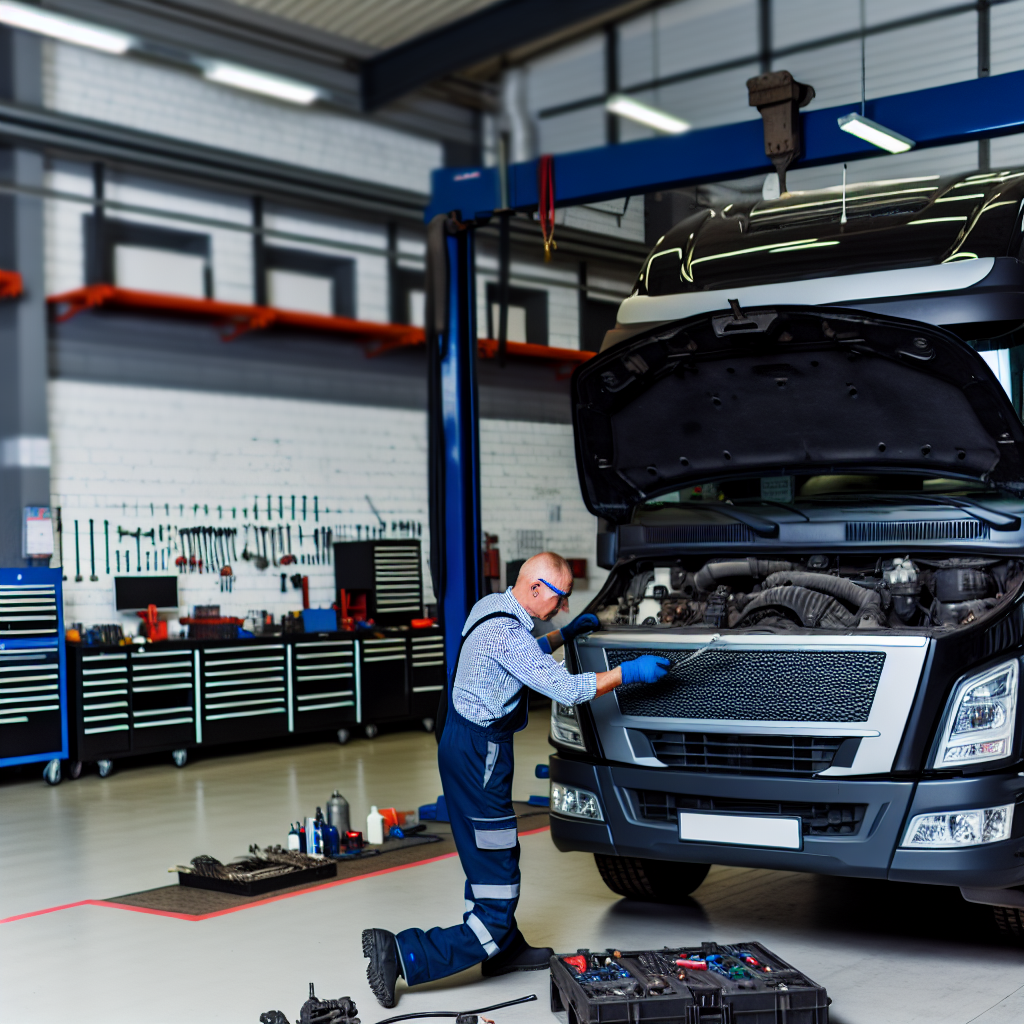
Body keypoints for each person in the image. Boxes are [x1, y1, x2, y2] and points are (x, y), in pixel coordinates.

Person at [362, 552, 671, 1007]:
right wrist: (630, 672)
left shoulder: (490, 607)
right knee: (498, 864)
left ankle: (506, 951)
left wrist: (563, 635)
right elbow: (566, 689)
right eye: (561, 598)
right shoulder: (509, 634)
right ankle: (405, 953)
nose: (563, 606)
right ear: (535, 589)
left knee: (485, 850)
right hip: (480, 756)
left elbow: (521, 658)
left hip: (460, 744)